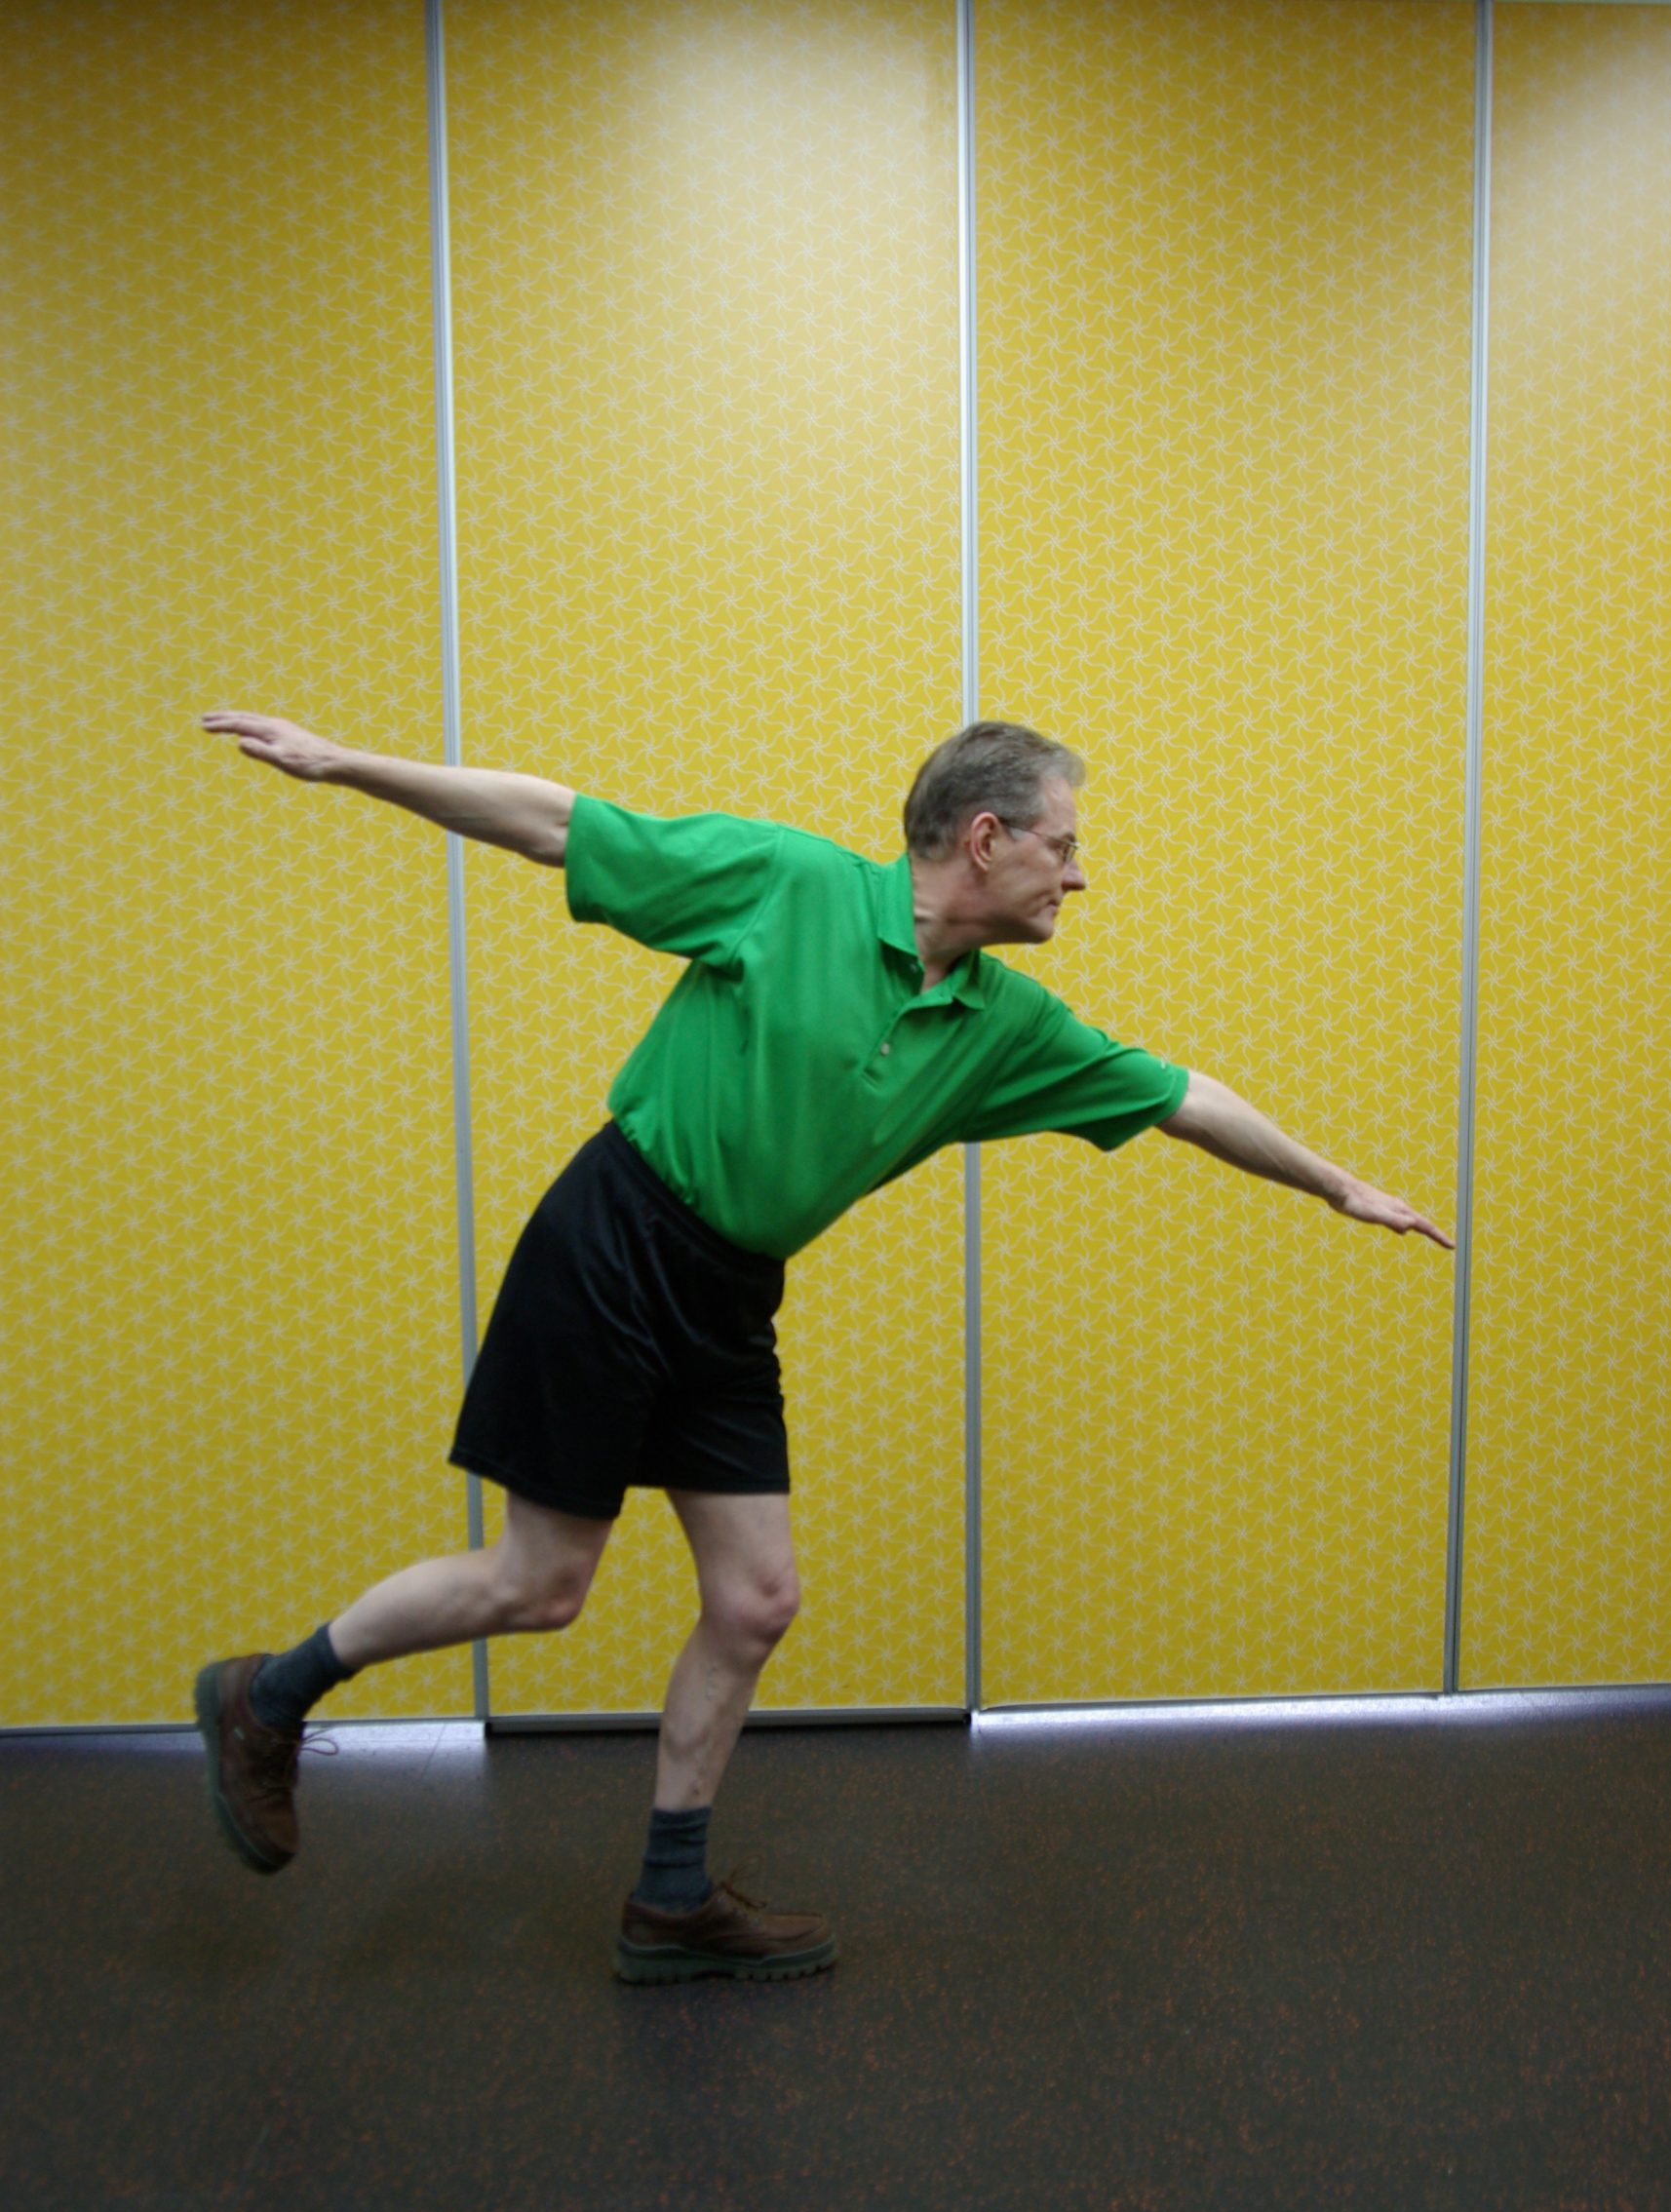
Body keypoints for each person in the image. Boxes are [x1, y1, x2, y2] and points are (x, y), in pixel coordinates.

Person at [192, 711, 1454, 1984]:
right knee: (541, 1585)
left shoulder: (1000, 1023)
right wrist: (345, 764)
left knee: (755, 1599)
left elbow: (1179, 1096)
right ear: (985, 838)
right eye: (1065, 846)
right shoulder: (790, 886)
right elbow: (559, 825)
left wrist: (1336, 1184)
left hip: (730, 1294)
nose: (1078, 875)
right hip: (613, 1243)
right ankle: (270, 1696)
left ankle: (669, 1900)